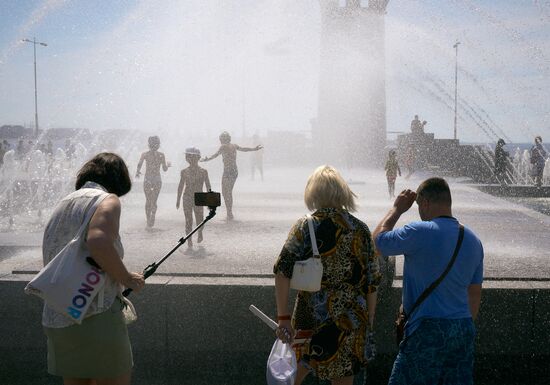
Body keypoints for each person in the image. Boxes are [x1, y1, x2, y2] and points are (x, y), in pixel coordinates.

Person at [41, 152, 145, 385]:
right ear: (118, 180)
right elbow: (98, 242)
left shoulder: (65, 202)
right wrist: (127, 278)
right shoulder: (107, 200)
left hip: (60, 313)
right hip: (94, 314)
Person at [273, 165, 381, 385]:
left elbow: (282, 271)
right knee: (342, 381)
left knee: (291, 377)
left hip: (310, 316)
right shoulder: (360, 229)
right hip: (351, 319)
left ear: (313, 192)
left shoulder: (305, 225)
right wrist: (368, 319)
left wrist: (283, 317)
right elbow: (372, 281)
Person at [372, 178, 483, 385]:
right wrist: (461, 329)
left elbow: (377, 243)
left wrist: (396, 209)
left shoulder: (419, 231)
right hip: (463, 328)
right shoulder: (473, 240)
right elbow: (474, 293)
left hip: (426, 328)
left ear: (424, 203)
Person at [201, 131, 262, 220]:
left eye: (221, 138)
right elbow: (244, 149)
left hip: (228, 171)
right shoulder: (234, 145)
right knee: (228, 192)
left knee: (226, 193)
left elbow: (215, 155)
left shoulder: (223, 146)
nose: (220, 140)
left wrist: (207, 159)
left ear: (223, 139)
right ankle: (229, 213)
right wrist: (254, 149)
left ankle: (229, 213)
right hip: (234, 171)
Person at [176, 147, 211, 248]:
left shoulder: (204, 171)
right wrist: (178, 199)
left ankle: (200, 232)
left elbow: (208, 186)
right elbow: (180, 186)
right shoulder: (184, 171)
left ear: (198, 158)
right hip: (187, 197)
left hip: (199, 197)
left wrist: (210, 201)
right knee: (188, 220)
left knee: (200, 220)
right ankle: (189, 241)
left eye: (192, 157)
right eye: (188, 157)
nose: (190, 159)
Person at [136, 136, 170, 228]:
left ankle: (148, 220)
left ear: (148, 144)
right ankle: (153, 215)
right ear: (158, 145)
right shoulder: (161, 155)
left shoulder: (145, 154)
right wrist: (168, 165)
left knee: (148, 200)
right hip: (157, 179)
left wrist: (138, 171)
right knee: (154, 200)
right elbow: (164, 169)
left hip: (147, 179)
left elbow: (139, 164)